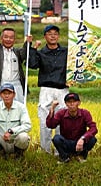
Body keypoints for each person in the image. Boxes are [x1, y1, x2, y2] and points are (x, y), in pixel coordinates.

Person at [29, 24, 68, 155]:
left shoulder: (66, 52)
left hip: (62, 89)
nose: (53, 36)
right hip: (46, 89)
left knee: (62, 122)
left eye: (55, 33)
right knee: (45, 120)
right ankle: (45, 151)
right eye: (49, 33)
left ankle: (60, 152)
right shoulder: (41, 53)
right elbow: (33, 65)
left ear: (58, 36)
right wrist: (33, 48)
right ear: (45, 36)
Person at [0, 11, 32, 103]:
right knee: (1, 113)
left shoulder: (17, 52)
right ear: (1, 38)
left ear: (14, 39)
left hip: (17, 86)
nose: (8, 39)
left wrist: (28, 43)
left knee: (19, 112)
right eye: (6, 37)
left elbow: (25, 53)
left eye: (11, 37)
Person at [46, 92, 98, 164]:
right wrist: (52, 109)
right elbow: (51, 125)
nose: (72, 104)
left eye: (74, 101)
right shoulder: (61, 113)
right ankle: (64, 157)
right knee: (56, 138)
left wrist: (83, 138)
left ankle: (81, 155)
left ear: (79, 103)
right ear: (66, 104)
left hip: (80, 143)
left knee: (92, 139)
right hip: (67, 143)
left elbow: (93, 128)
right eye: (69, 102)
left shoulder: (85, 113)